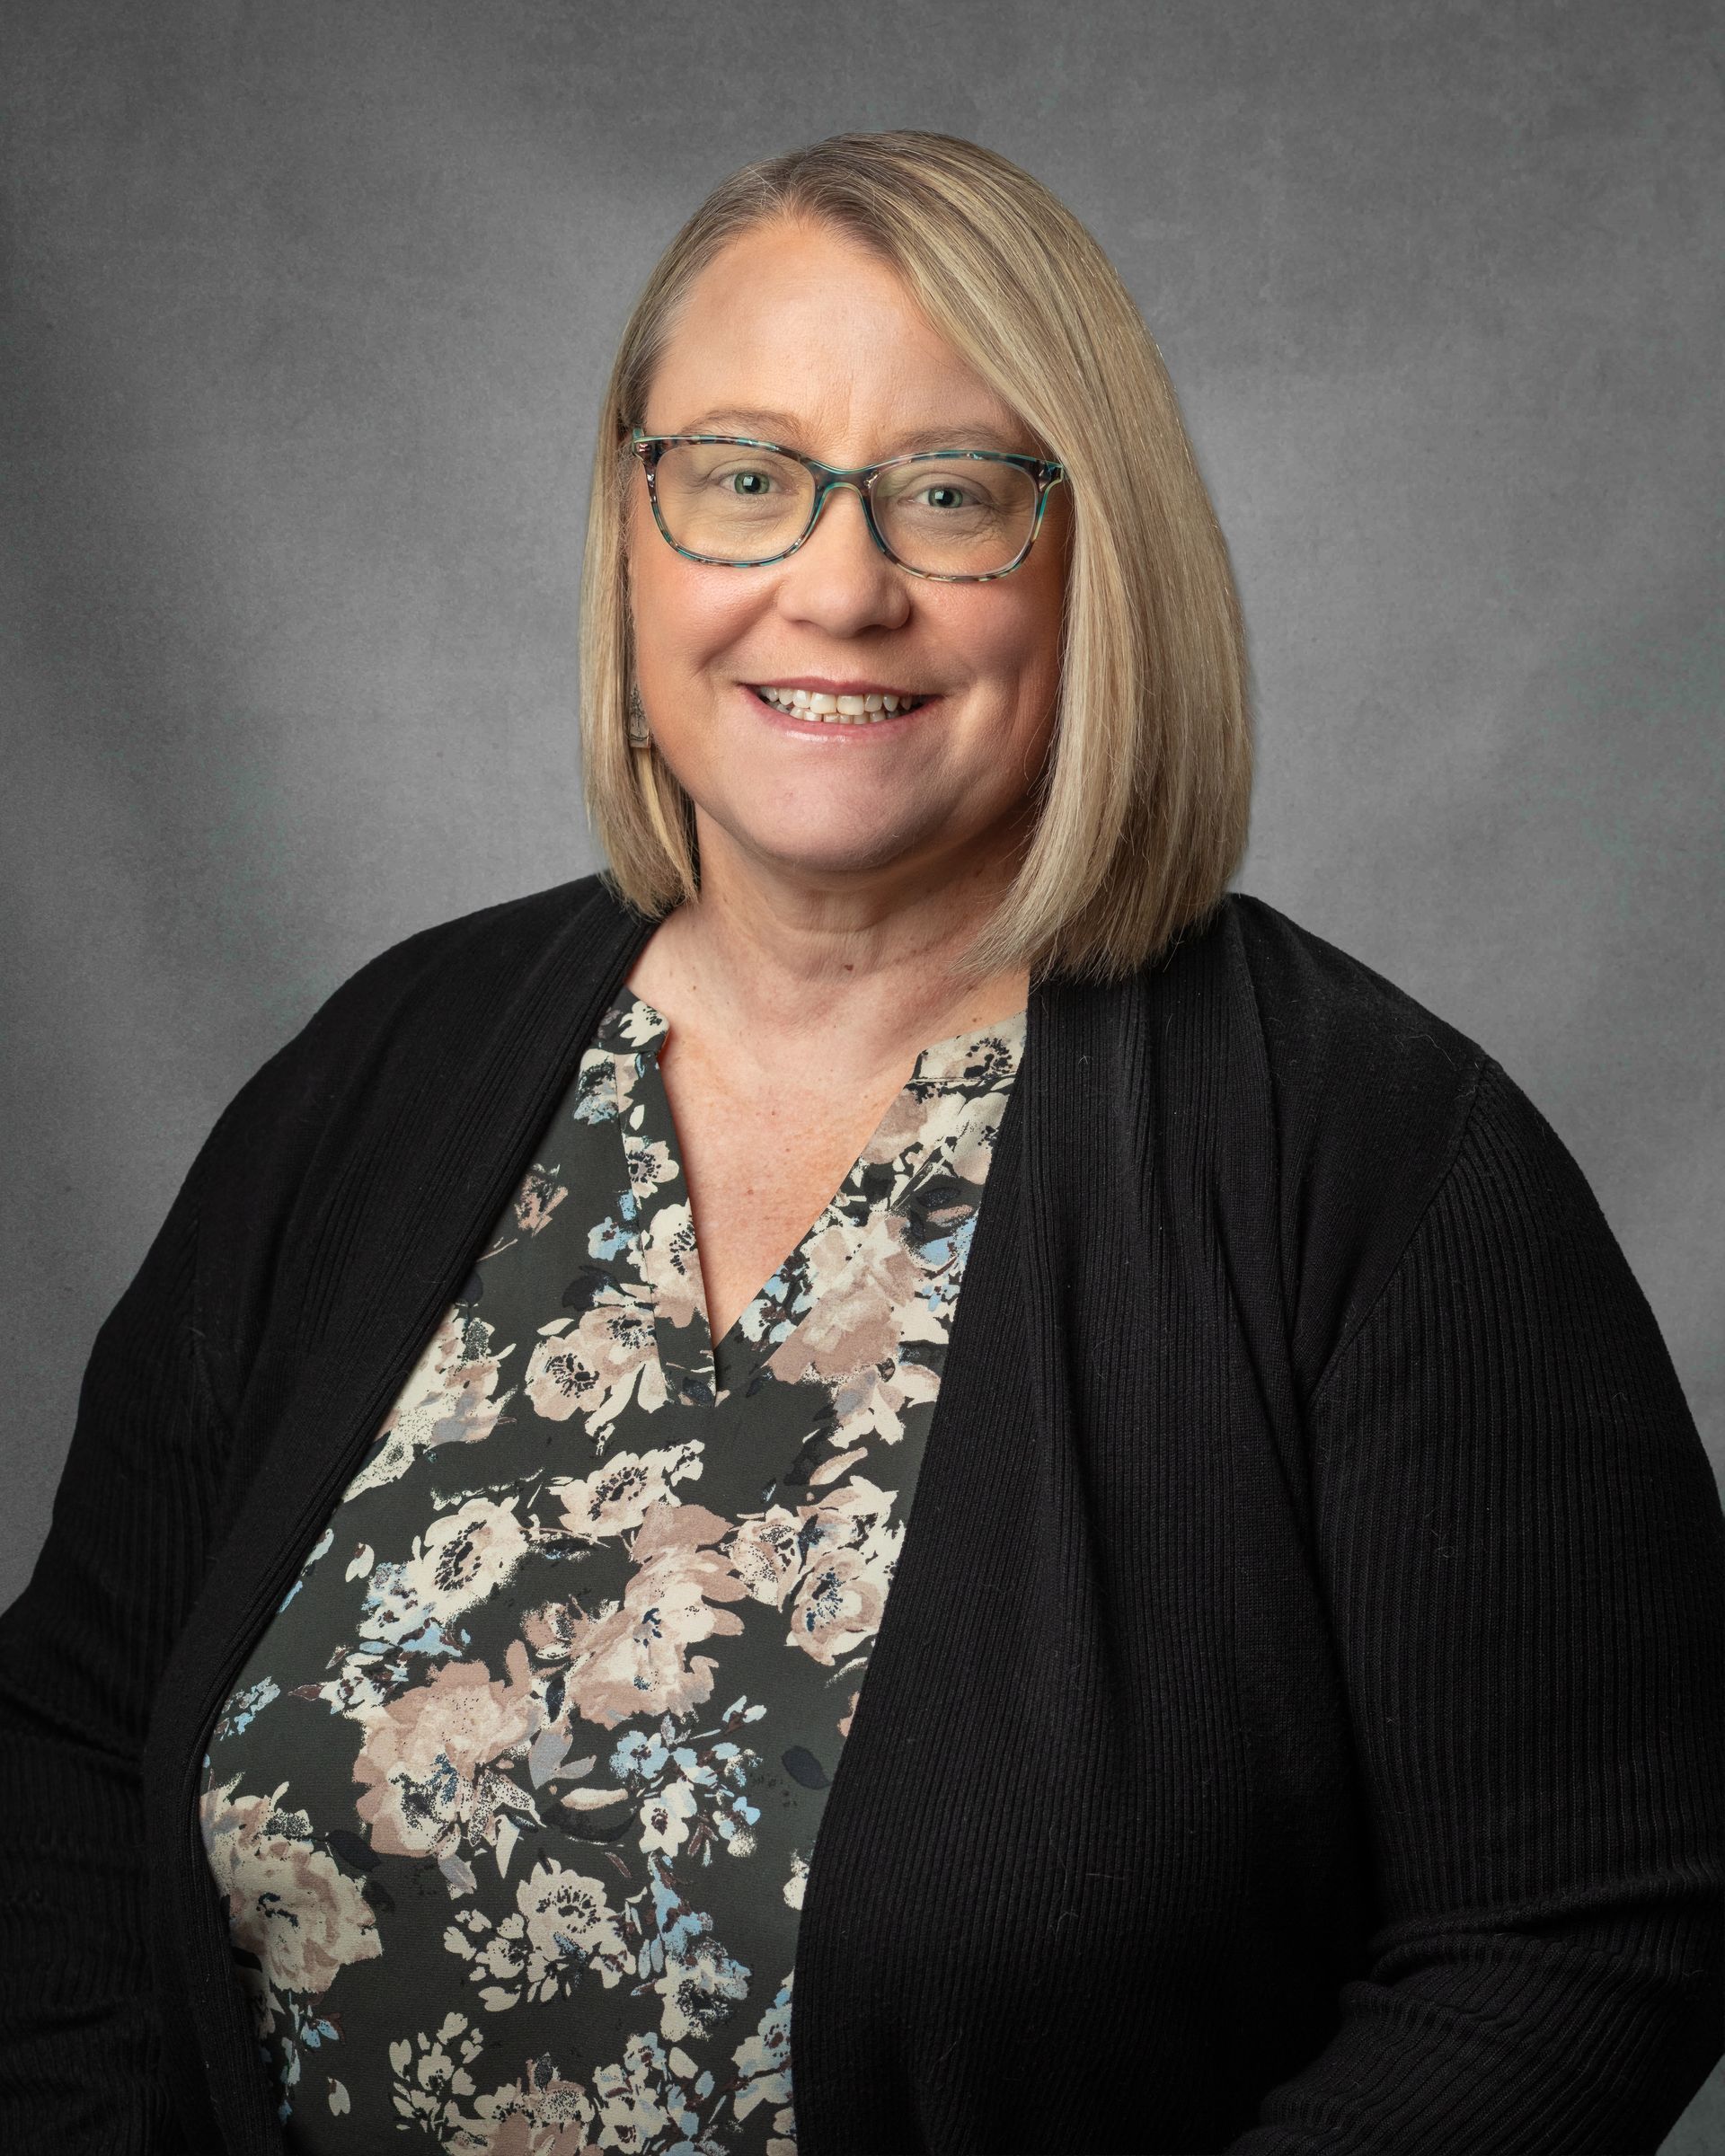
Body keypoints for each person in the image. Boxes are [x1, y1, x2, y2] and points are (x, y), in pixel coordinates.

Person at [0, 129, 1719, 2156]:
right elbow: (65, 1767)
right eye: (743, 479)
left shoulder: (1379, 1165)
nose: (840, 587)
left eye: (953, 495)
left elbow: (1595, 1919)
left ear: (1100, 563)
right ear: (634, 540)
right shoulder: (383, 1079)